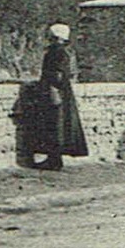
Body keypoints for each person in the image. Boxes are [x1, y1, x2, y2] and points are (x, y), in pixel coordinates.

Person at [32, 23, 88, 171]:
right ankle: (54, 159)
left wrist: (51, 88)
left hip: (55, 91)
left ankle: (54, 160)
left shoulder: (56, 52)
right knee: (58, 126)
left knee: (54, 125)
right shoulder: (64, 52)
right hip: (62, 91)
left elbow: (57, 74)